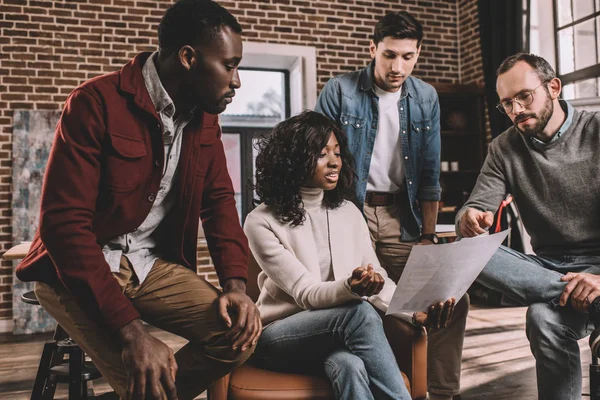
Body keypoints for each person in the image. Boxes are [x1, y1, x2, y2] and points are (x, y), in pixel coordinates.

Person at [15, 1, 261, 399]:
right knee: (149, 377)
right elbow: (63, 228)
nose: (237, 81)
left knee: (238, 337)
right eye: (230, 65)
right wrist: (133, 333)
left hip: (148, 264)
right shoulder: (94, 103)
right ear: (187, 58)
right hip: (78, 267)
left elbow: (217, 203)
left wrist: (236, 285)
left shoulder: (204, 118)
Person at [244, 110, 456, 400]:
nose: (334, 162)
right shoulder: (261, 220)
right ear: (292, 160)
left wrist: (413, 312)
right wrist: (351, 289)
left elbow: (377, 278)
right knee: (358, 311)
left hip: (337, 338)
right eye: (321, 154)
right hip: (279, 337)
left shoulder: (348, 212)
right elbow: (307, 294)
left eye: (337, 152)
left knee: (349, 365)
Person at [315, 11, 467, 400]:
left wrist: (429, 236)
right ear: (372, 49)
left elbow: (431, 174)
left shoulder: (426, 97)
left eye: (407, 56)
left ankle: (439, 393)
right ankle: (374, 382)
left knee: (450, 299)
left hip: (406, 218)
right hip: (350, 212)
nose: (398, 66)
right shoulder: (340, 91)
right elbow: (316, 157)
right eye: (389, 55)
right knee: (363, 300)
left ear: (418, 54)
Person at [457, 52, 600, 400]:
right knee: (468, 254)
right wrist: (470, 217)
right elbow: (476, 206)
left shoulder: (596, 132)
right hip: (546, 267)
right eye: (507, 103)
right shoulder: (504, 147)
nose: (517, 109)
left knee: (542, 318)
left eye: (524, 96)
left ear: (553, 87)